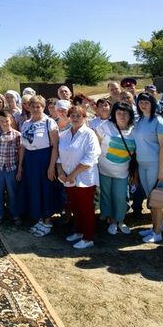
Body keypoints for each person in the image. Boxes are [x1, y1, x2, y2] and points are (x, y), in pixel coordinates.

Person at [58, 106, 101, 250]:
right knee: (75, 206)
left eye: (79, 116)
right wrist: (60, 172)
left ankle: (88, 237)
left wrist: (73, 174)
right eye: (73, 116)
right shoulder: (64, 134)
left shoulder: (89, 134)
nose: (75, 119)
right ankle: (79, 231)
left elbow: (91, 157)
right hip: (68, 179)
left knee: (86, 208)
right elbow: (59, 155)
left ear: (84, 118)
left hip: (84, 178)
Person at [132, 92, 163, 243]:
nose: (143, 104)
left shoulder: (159, 120)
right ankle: (154, 227)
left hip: (156, 164)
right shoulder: (140, 120)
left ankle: (157, 232)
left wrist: (161, 170)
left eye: (146, 102)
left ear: (153, 104)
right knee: (150, 198)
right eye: (141, 102)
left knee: (157, 200)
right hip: (143, 164)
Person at [20, 95, 60, 237]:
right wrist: (20, 166)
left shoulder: (49, 122)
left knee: (46, 189)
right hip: (30, 160)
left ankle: (48, 220)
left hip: (44, 159)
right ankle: (39, 218)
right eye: (33, 106)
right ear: (28, 107)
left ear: (43, 107)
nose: (36, 109)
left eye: (39, 106)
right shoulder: (25, 124)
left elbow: (55, 146)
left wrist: (51, 166)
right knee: (34, 188)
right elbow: (23, 146)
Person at [95, 102, 137, 235]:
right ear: (114, 114)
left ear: (130, 115)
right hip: (104, 169)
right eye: (119, 112)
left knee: (120, 197)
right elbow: (97, 145)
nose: (122, 115)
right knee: (106, 195)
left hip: (122, 171)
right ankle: (111, 220)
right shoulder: (105, 126)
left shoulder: (134, 130)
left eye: (125, 113)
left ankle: (120, 220)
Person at [0, 111, 22, 224]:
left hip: (12, 168)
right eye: (2, 121)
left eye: (6, 120)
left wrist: (20, 168)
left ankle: (15, 214)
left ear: (10, 120)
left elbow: (20, 153)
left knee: (13, 192)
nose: (4, 123)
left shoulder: (17, 135)